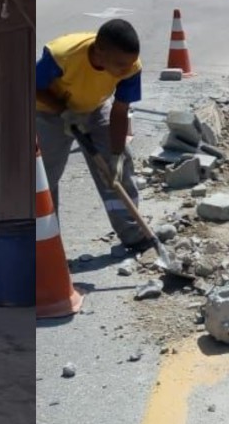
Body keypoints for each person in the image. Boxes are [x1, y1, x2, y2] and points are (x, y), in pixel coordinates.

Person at [36, 19, 148, 251]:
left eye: (130, 63)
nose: (126, 69)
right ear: (99, 52)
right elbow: (33, 85)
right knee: (45, 178)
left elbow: (120, 109)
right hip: (48, 112)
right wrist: (63, 111)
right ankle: (48, 248)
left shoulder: (131, 67)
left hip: (95, 108)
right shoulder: (62, 55)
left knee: (119, 170)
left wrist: (116, 155)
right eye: (120, 64)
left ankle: (134, 233)